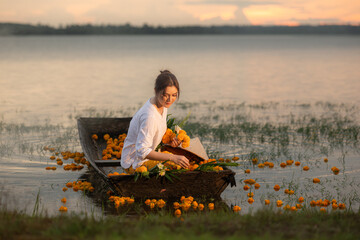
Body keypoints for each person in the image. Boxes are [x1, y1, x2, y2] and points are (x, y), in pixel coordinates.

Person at [121, 70, 190, 173]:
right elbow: (141, 151)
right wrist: (173, 158)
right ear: (155, 91)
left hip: (145, 156)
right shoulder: (150, 116)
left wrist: (169, 140)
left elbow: (154, 132)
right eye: (166, 95)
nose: (170, 99)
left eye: (174, 95)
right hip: (134, 162)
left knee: (180, 160)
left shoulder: (161, 105)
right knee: (176, 164)